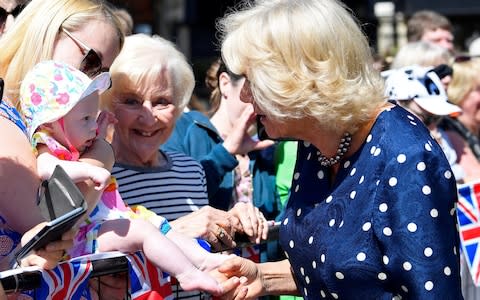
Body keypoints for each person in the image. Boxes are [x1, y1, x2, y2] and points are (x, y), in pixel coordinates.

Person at [214, 0, 463, 299]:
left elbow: (432, 292)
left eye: (254, 81)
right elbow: (340, 270)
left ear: (301, 77)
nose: (244, 95)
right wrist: (264, 278)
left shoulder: (404, 155)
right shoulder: (315, 141)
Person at [21, 60, 231, 295]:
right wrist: (89, 170)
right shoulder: (45, 142)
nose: (92, 127)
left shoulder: (74, 141)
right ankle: (186, 274)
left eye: (94, 118)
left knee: (158, 225)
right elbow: (46, 168)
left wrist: (97, 135)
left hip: (98, 223)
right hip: (78, 238)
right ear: (54, 121)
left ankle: (202, 260)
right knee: (142, 231)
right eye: (85, 119)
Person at [100, 33, 268, 299]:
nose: (148, 116)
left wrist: (232, 222)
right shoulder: (100, 177)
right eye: (131, 101)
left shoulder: (190, 169)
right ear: (108, 105)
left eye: (161, 101)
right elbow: (88, 254)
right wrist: (177, 229)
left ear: (179, 107)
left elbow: (203, 251)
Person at [0, 0, 124, 295]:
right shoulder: (5, 117)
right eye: (91, 62)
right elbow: (54, 220)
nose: (90, 80)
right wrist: (102, 155)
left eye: (101, 73)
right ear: (47, 34)